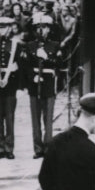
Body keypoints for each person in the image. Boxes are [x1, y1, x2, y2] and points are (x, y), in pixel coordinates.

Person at [24, 16, 60, 158]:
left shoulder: (55, 45)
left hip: (48, 84)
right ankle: (38, 148)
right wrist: (31, 76)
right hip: (34, 84)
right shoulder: (30, 45)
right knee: (35, 117)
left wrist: (47, 58)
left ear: (49, 29)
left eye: (44, 27)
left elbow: (59, 64)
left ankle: (48, 146)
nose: (41, 30)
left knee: (48, 117)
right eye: (38, 27)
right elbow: (25, 65)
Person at [0, 16, 25, 159]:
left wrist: (21, 86)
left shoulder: (16, 44)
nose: (2, 30)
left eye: (4, 27)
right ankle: (0, 148)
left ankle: (9, 148)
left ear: (10, 28)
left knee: (9, 117)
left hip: (10, 83)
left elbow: (20, 65)